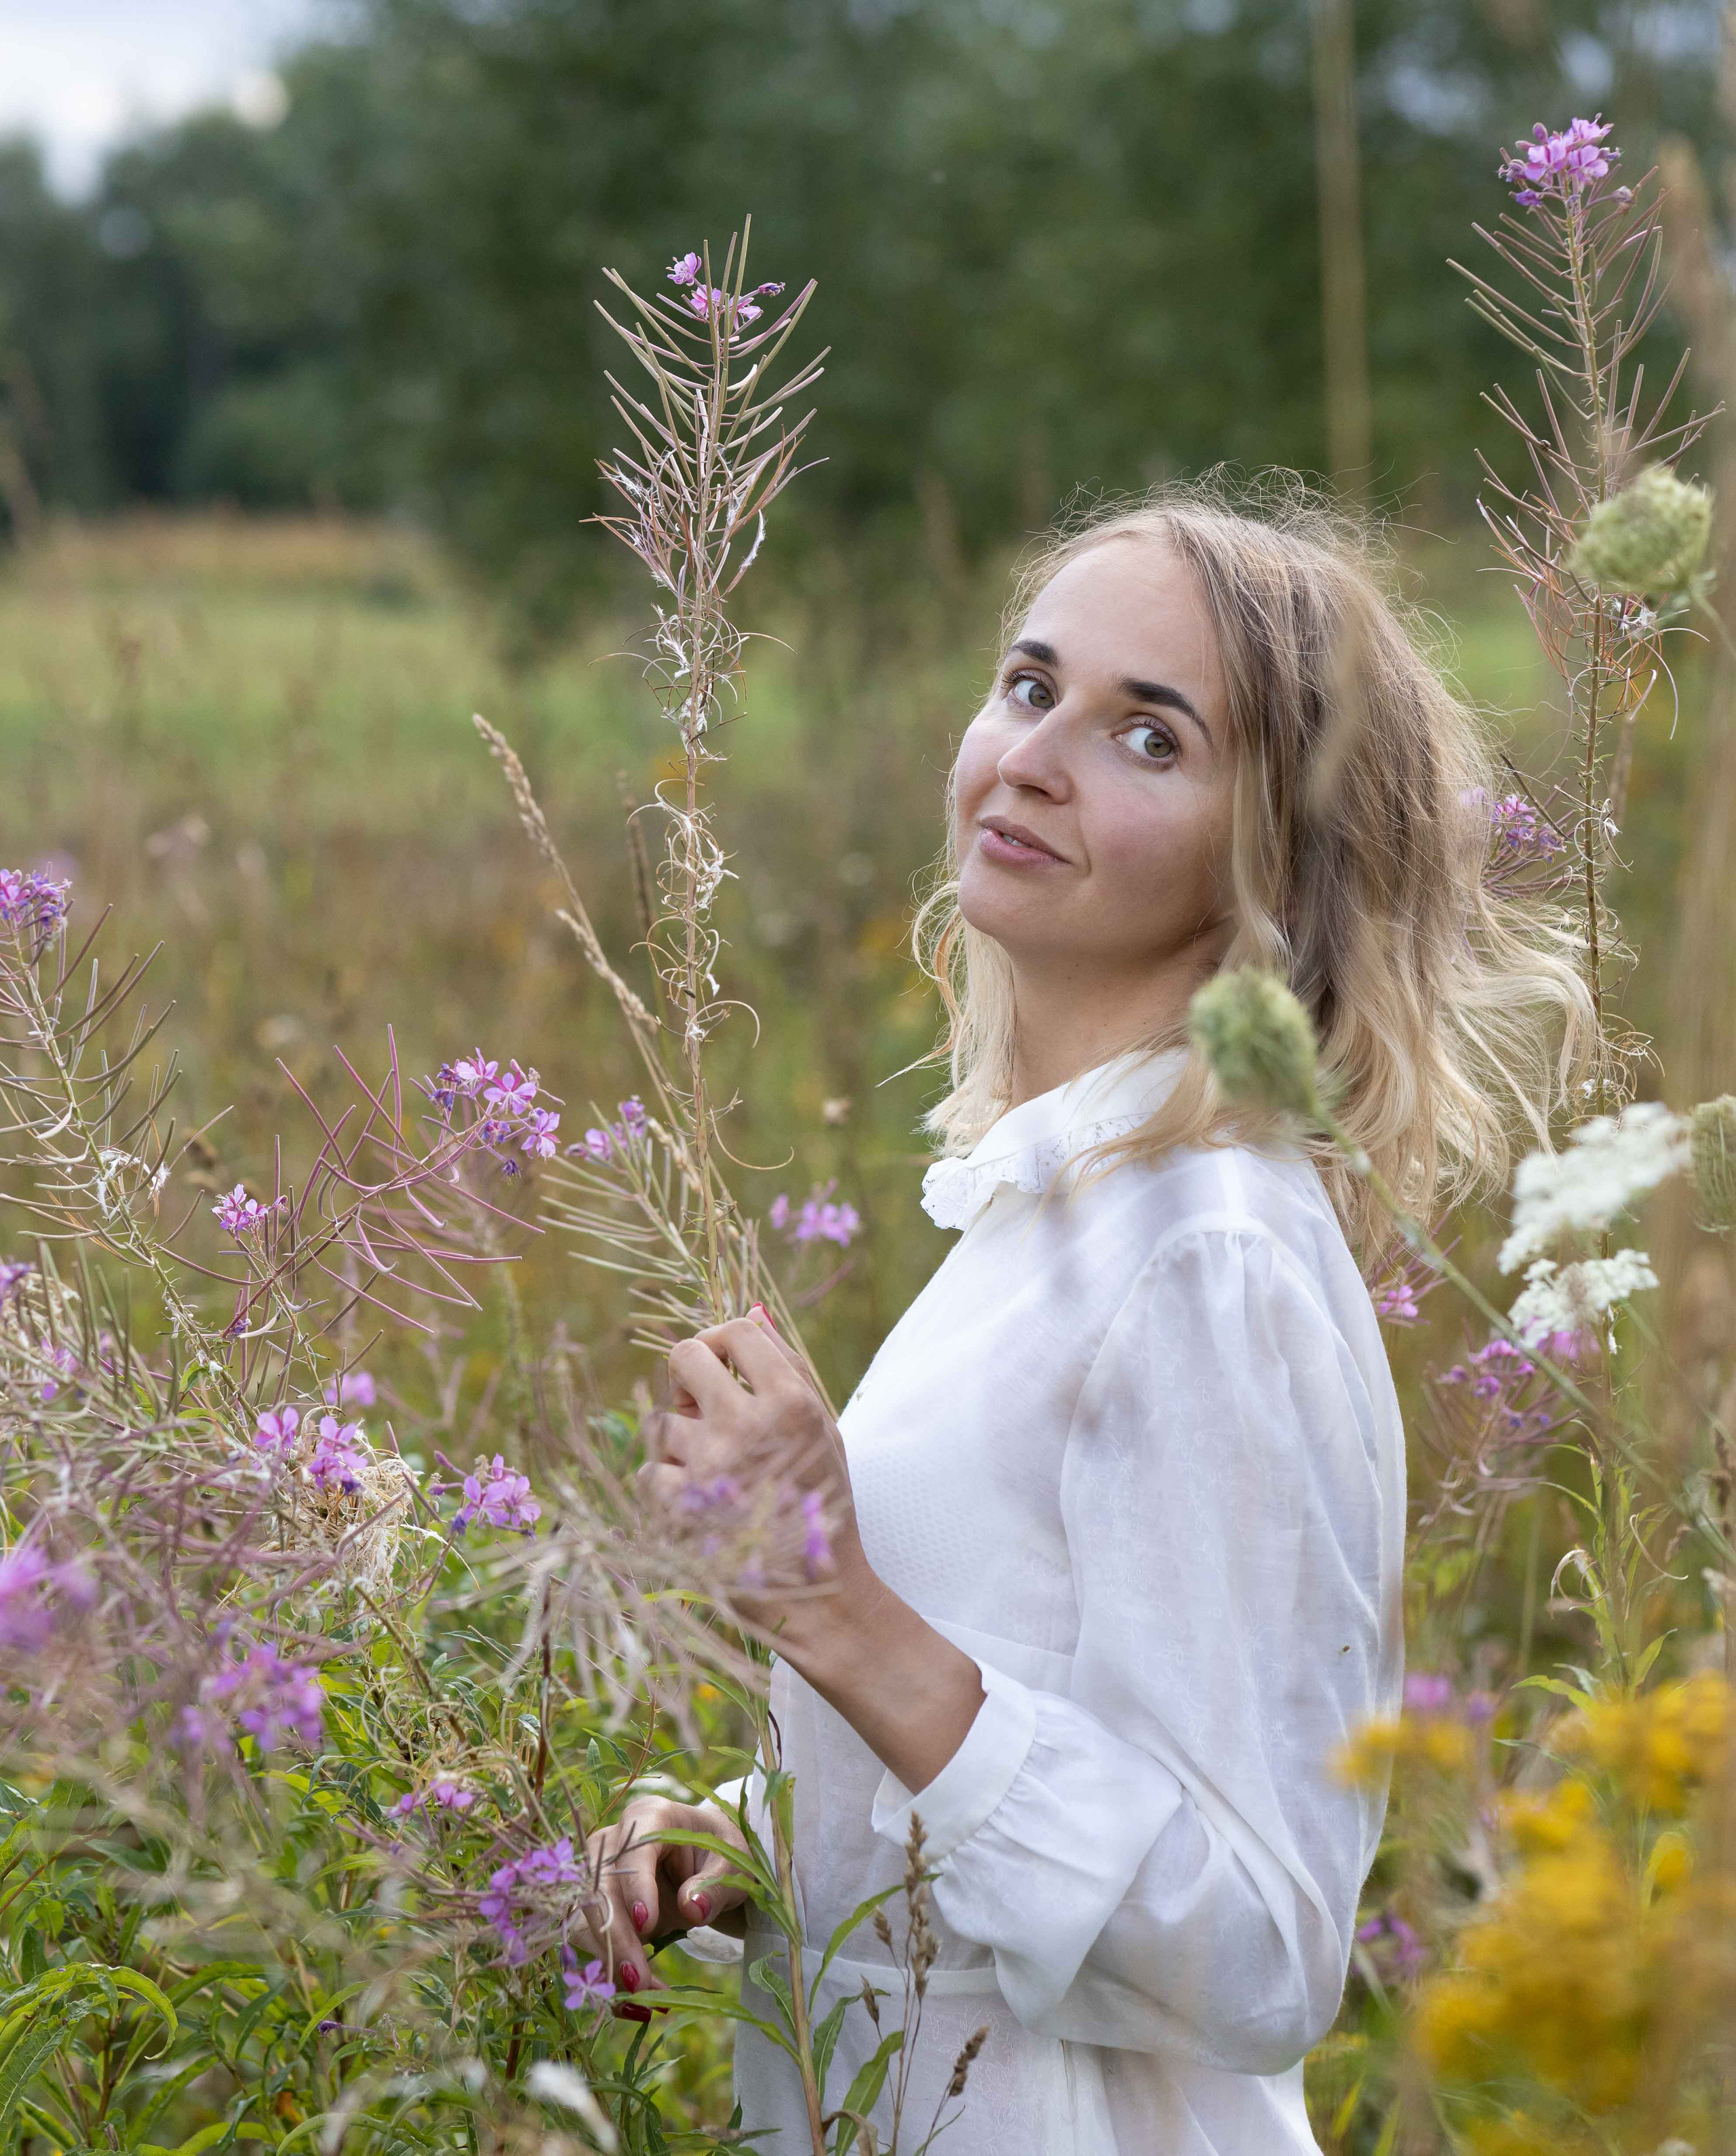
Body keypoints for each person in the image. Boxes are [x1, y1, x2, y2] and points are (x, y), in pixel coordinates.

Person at [578, 481, 1591, 2153]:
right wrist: (757, 1844)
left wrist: (835, 1606)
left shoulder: (1207, 1255)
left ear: (1271, 863)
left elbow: (1260, 1948)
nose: (1035, 755)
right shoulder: (1055, 1210)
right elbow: (1030, 1738)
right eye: (1032, 686)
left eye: (1151, 739)